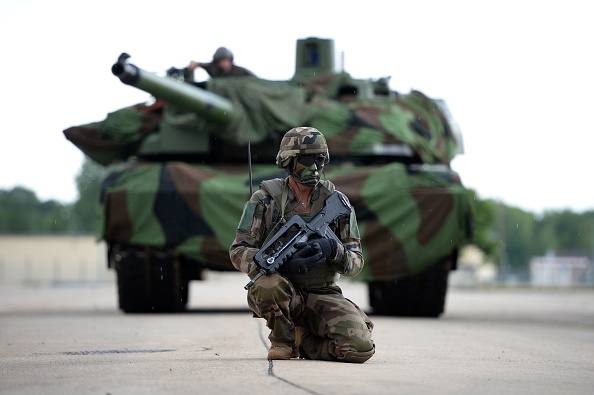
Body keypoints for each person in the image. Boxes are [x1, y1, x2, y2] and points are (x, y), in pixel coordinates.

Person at [229, 126, 375, 363]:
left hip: (323, 293)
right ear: (289, 161)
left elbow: (356, 262)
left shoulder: (335, 203)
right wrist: (280, 266)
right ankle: (283, 341)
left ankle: (302, 340)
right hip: (283, 290)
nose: (315, 167)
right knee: (266, 286)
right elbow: (238, 251)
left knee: (359, 349)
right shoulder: (266, 200)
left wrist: (332, 249)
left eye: (320, 160)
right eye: (307, 160)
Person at [187, 47, 254, 78]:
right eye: (220, 62)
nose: (223, 64)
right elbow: (196, 64)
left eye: (225, 61)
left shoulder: (240, 72)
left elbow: (255, 81)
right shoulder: (214, 69)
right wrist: (193, 66)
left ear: (230, 61)